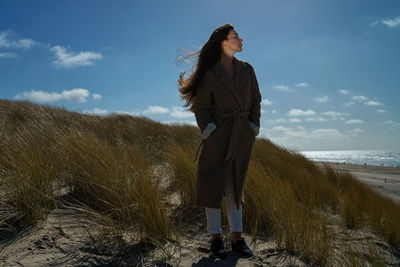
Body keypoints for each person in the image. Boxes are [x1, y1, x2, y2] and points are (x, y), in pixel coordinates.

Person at [178, 23, 261, 259]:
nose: (241, 40)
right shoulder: (210, 73)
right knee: (212, 187)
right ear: (224, 42)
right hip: (218, 136)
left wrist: (253, 125)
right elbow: (202, 108)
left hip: (242, 134)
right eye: (236, 36)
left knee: (236, 187)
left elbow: (256, 99)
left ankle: (237, 239)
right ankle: (216, 240)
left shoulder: (247, 70)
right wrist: (209, 131)